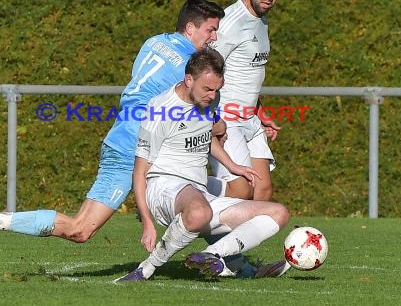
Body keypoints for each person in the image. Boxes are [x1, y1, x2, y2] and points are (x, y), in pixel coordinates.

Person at [0, 0, 226, 256]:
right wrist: (222, 124)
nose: (213, 38)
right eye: (210, 30)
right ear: (190, 28)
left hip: (121, 136)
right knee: (81, 228)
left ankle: (229, 258)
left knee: (200, 201)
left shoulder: (154, 42)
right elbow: (202, 117)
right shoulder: (192, 67)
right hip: (133, 146)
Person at [115, 48, 290, 282]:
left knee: (278, 213)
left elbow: (205, 137)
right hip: (164, 188)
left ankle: (213, 257)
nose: (212, 95)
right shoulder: (160, 109)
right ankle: (146, 268)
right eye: (207, 88)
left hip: (198, 191)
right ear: (189, 80)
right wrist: (147, 220)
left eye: (217, 89)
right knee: (199, 211)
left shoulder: (209, 99)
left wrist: (233, 166)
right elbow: (139, 170)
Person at [207, 0, 288, 202]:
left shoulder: (261, 21)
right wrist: (211, 119)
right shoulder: (230, 22)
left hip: (250, 118)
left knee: (262, 190)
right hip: (226, 118)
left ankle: (239, 242)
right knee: (242, 191)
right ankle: (182, 186)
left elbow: (247, 75)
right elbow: (204, 72)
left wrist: (261, 113)